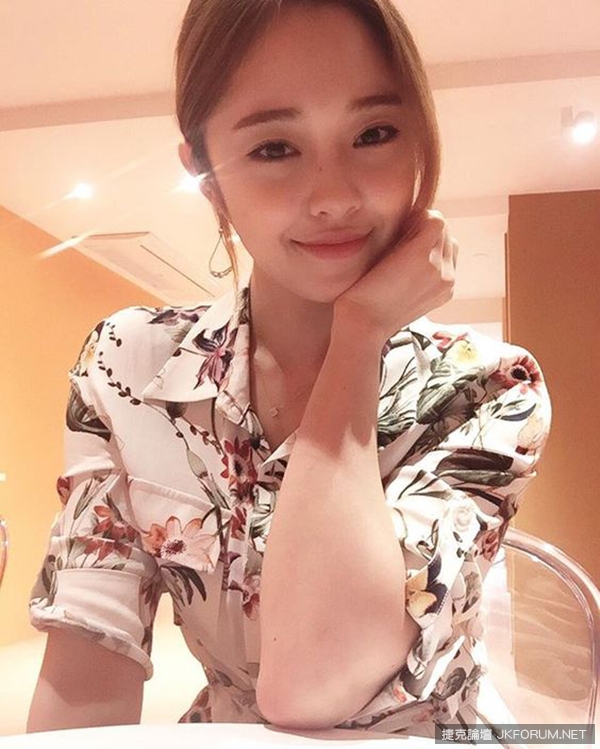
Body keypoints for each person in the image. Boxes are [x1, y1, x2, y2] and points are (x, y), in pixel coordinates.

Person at [27, 0, 552, 740]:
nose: (335, 197)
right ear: (205, 173)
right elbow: (88, 668)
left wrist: (358, 334)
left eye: (373, 133)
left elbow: (317, 682)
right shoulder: (129, 364)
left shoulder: (487, 387)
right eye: (275, 148)